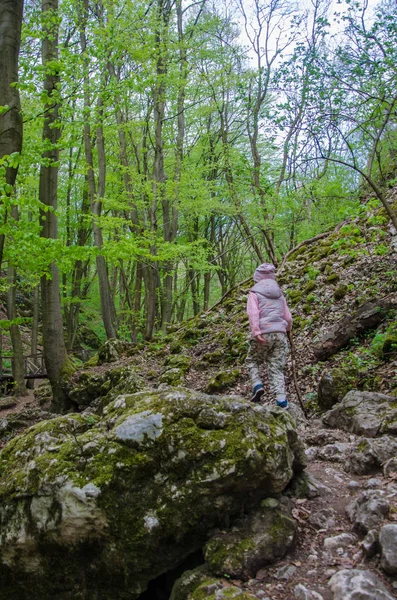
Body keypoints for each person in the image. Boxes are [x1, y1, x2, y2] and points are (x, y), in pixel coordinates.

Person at [245, 263, 292, 408]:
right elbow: (288, 317)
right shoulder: (279, 294)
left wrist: (256, 332)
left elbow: (253, 314)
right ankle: (281, 400)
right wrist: (288, 329)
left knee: (252, 360)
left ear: (257, 277)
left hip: (264, 333)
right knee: (276, 366)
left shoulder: (254, 293)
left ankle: (257, 384)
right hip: (280, 334)